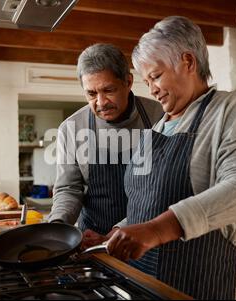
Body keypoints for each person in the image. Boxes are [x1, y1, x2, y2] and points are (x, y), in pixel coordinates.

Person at [87, 16, 236, 300]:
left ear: (187, 62)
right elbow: (146, 205)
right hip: (140, 283)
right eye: (147, 80)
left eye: (156, 76)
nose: (151, 89)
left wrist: (158, 230)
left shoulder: (230, 109)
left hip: (198, 283)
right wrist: (114, 233)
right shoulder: (158, 128)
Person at [48, 44, 164, 241]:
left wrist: (124, 229)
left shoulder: (159, 117)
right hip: (92, 239)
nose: (101, 102)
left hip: (148, 237)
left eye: (108, 90)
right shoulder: (71, 129)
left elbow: (163, 189)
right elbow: (69, 188)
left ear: (128, 82)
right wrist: (57, 225)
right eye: (91, 94)